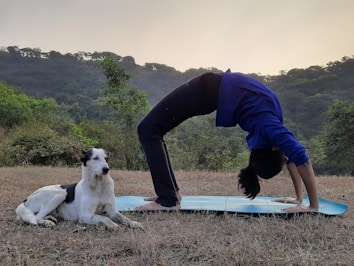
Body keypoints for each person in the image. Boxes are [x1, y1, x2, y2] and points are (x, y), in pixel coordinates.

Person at [136, 70, 319, 212]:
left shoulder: (268, 127)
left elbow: (298, 157)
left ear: (273, 151)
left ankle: (168, 200)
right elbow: (294, 157)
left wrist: (310, 205)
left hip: (207, 89)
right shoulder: (271, 130)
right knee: (152, 130)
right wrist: (302, 200)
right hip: (212, 90)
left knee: (147, 129)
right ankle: (171, 193)